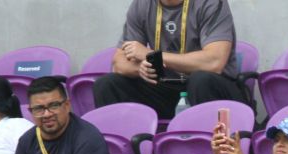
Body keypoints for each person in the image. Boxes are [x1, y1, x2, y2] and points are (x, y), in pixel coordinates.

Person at [92, 0, 247, 120]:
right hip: (168, 87)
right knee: (107, 84)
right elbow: (118, 62)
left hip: (213, 90)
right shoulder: (142, 4)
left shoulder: (210, 3)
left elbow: (214, 62)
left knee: (201, 79)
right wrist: (139, 69)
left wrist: (153, 55)